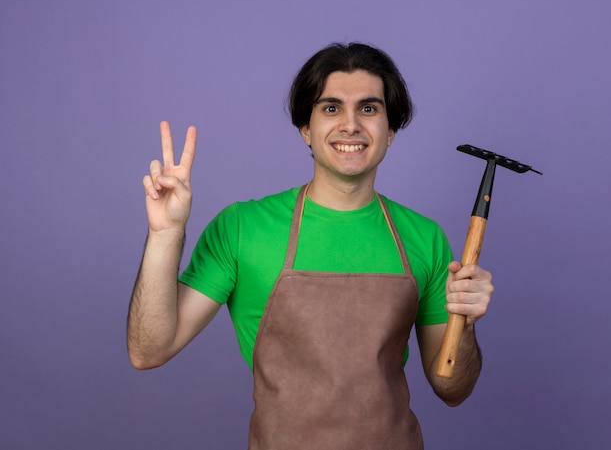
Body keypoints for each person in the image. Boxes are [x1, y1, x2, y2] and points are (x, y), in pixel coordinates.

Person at [127, 42, 494, 450]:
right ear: (306, 128)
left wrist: (466, 324)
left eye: (369, 109)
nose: (351, 125)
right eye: (331, 108)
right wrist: (165, 235)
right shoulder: (242, 228)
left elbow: (452, 389)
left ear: (390, 131)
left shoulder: (424, 237)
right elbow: (149, 350)